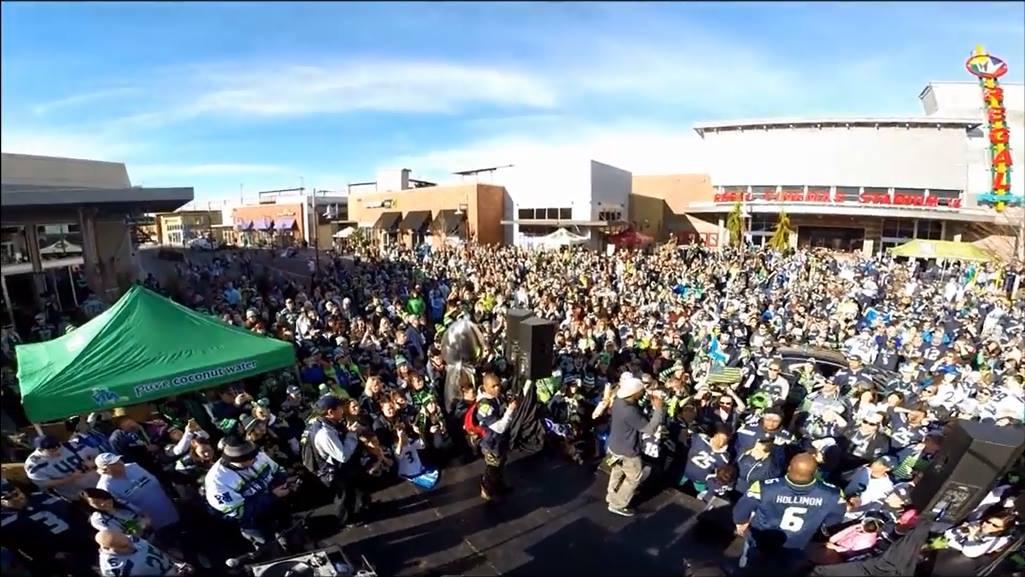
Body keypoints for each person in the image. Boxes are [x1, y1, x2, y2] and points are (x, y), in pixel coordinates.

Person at [733, 453, 846, 574]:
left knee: (751, 568)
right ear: (815, 472)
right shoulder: (833, 494)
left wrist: (740, 522)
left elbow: (741, 511)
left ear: (789, 468)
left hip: (761, 538)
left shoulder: (763, 488)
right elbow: (834, 519)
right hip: (797, 544)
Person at [204, 434, 292, 562]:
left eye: (255, 455)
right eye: (249, 459)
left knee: (292, 538)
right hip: (255, 524)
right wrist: (272, 496)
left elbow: (278, 471)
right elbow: (241, 513)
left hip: (278, 510)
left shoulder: (256, 455)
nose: (256, 459)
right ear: (236, 459)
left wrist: (284, 484)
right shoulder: (217, 481)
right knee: (273, 556)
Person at [1, 478, 96, 575]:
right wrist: (49, 555)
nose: (16, 498)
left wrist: (88, 531)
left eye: (16, 493)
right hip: (57, 557)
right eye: (7, 498)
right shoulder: (4, 521)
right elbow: (17, 548)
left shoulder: (42, 497)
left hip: (83, 541)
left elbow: (75, 513)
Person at [304, 395, 369, 528]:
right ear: (330, 412)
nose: (343, 410)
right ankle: (347, 520)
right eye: (340, 408)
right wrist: (352, 435)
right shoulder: (324, 434)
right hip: (331, 471)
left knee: (352, 489)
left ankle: (360, 506)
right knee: (343, 495)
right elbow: (343, 455)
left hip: (339, 466)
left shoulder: (328, 423)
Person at [605, 373, 665, 517]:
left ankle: (611, 496)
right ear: (634, 393)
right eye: (641, 391)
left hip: (614, 446)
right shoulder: (629, 411)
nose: (643, 392)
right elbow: (649, 429)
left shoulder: (619, 401)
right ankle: (618, 504)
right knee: (633, 478)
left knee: (617, 472)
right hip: (628, 451)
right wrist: (658, 409)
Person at [474, 373, 518, 502]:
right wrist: (510, 410)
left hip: (499, 441)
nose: (497, 388)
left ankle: (499, 485)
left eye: (498, 385)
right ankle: (486, 487)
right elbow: (499, 427)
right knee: (493, 467)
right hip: (491, 442)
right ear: (485, 387)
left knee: (501, 464)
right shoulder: (484, 406)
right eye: (493, 386)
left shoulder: (497, 397)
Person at [24, 434, 100, 501]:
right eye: (52, 449)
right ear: (40, 450)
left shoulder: (71, 446)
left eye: (58, 445)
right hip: (76, 495)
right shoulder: (34, 464)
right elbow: (44, 483)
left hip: (99, 484)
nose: (58, 450)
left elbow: (100, 455)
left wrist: (94, 463)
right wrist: (70, 478)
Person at [95, 530, 189, 576]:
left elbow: (154, 550)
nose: (131, 545)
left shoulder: (128, 539)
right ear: (106, 548)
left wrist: (177, 563)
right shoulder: (113, 569)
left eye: (128, 540)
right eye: (123, 546)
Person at [83, 487, 152, 538]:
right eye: (96, 503)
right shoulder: (98, 519)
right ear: (90, 505)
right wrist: (140, 526)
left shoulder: (121, 502)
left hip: (152, 534)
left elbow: (142, 513)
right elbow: (119, 537)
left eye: (104, 498)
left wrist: (146, 520)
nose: (103, 503)